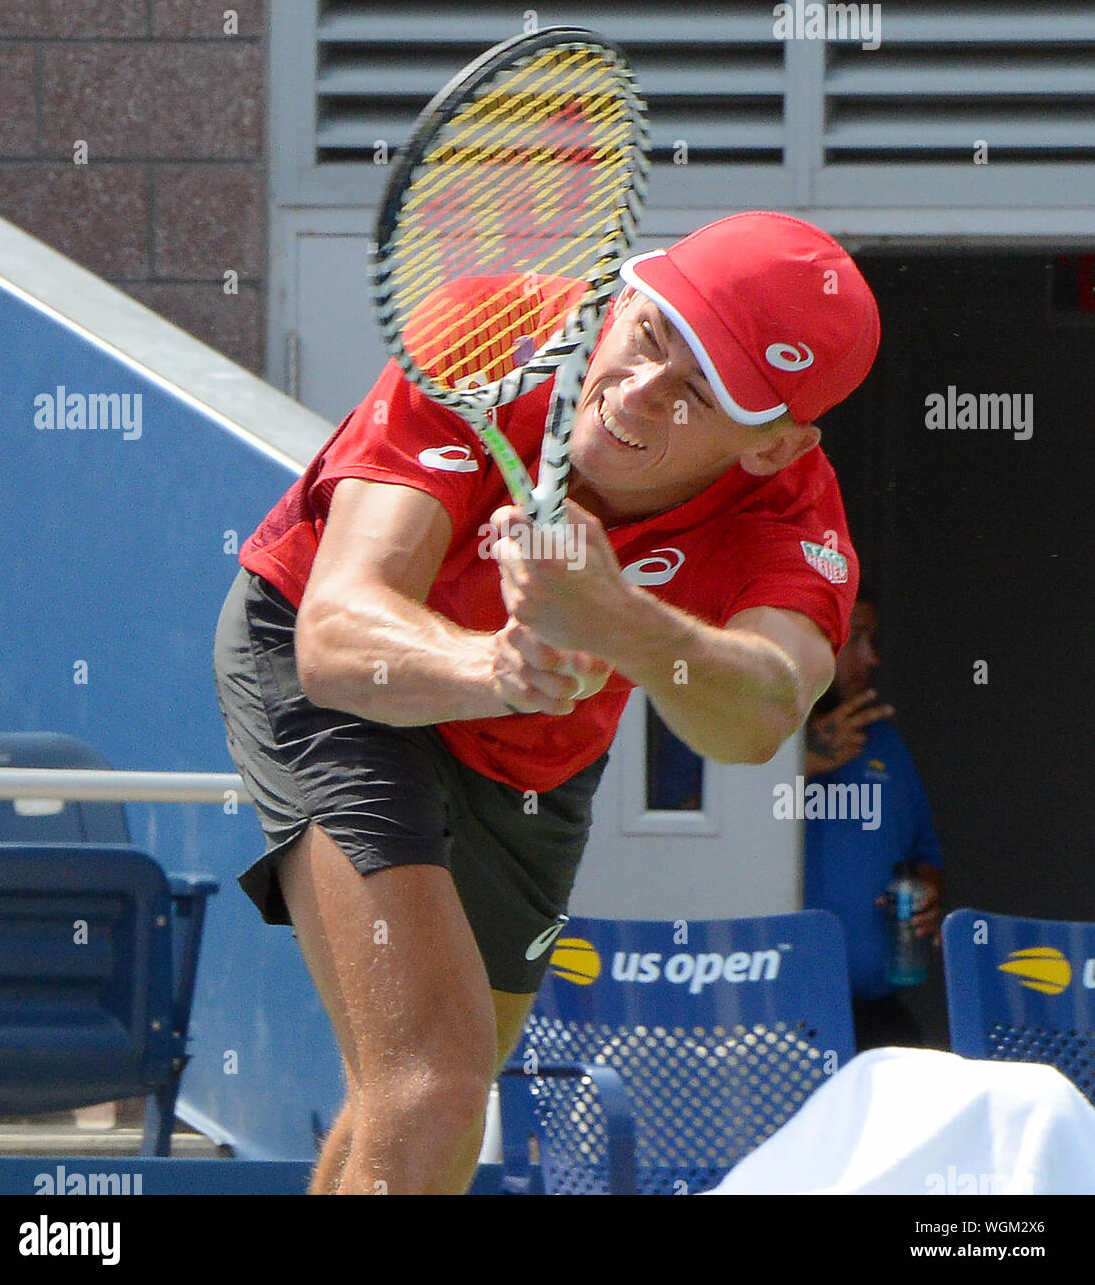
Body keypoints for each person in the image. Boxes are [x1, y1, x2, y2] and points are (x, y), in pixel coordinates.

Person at [212, 211, 882, 1194]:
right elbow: (337, 636)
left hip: (534, 753)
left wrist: (619, 621)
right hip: (336, 669)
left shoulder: (792, 514)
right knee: (433, 1080)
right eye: (648, 333)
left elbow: (762, 710)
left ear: (774, 448)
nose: (637, 394)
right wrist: (497, 667)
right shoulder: (490, 335)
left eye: (697, 395)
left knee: (427, 1079)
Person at [802, 585, 945, 1051]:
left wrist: (927, 894)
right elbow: (689, 846)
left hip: (876, 1013)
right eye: (856, 639)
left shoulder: (883, 743)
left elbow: (924, 854)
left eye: (872, 639)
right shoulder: (739, 738)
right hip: (773, 1009)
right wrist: (797, 760)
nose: (871, 658)